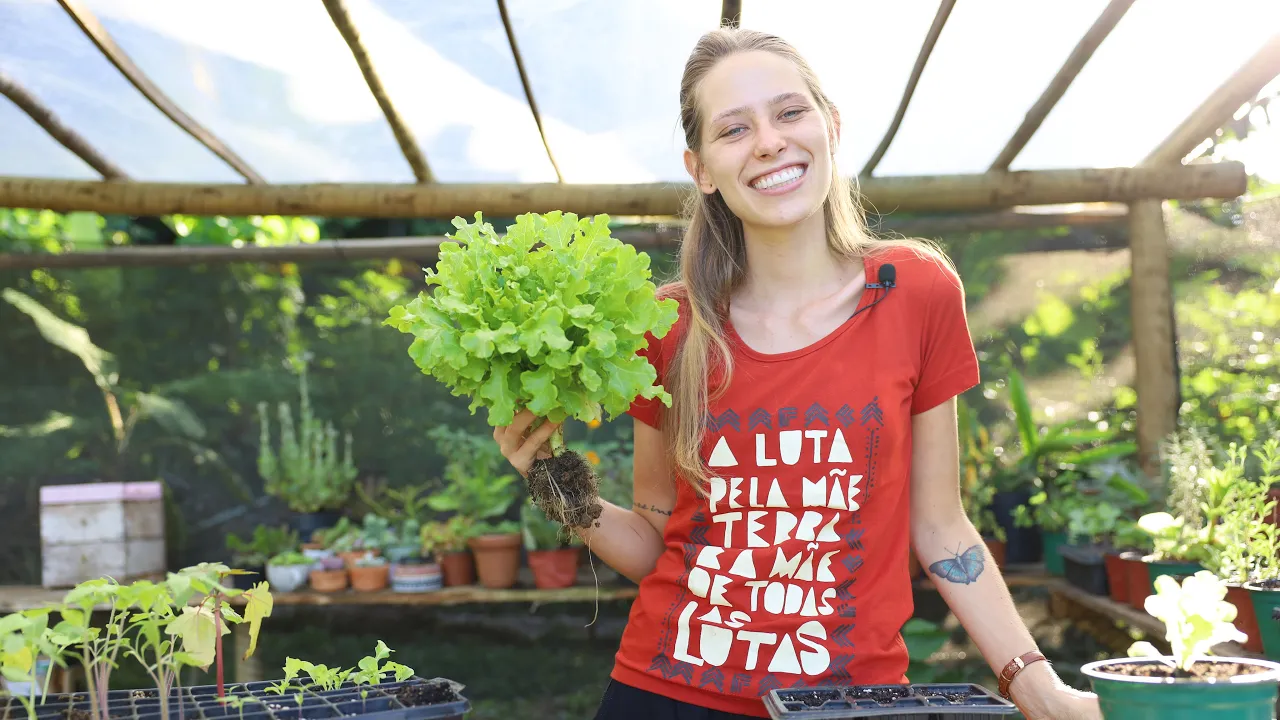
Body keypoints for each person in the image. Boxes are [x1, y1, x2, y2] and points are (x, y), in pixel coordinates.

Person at [494, 27, 1102, 720]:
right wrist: (552, 479)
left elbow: (941, 527)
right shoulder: (668, 325)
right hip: (665, 693)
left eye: (789, 113)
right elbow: (659, 543)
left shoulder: (915, 291)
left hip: (848, 701)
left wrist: (1035, 686)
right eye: (734, 129)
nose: (769, 142)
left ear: (830, 127)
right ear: (701, 169)